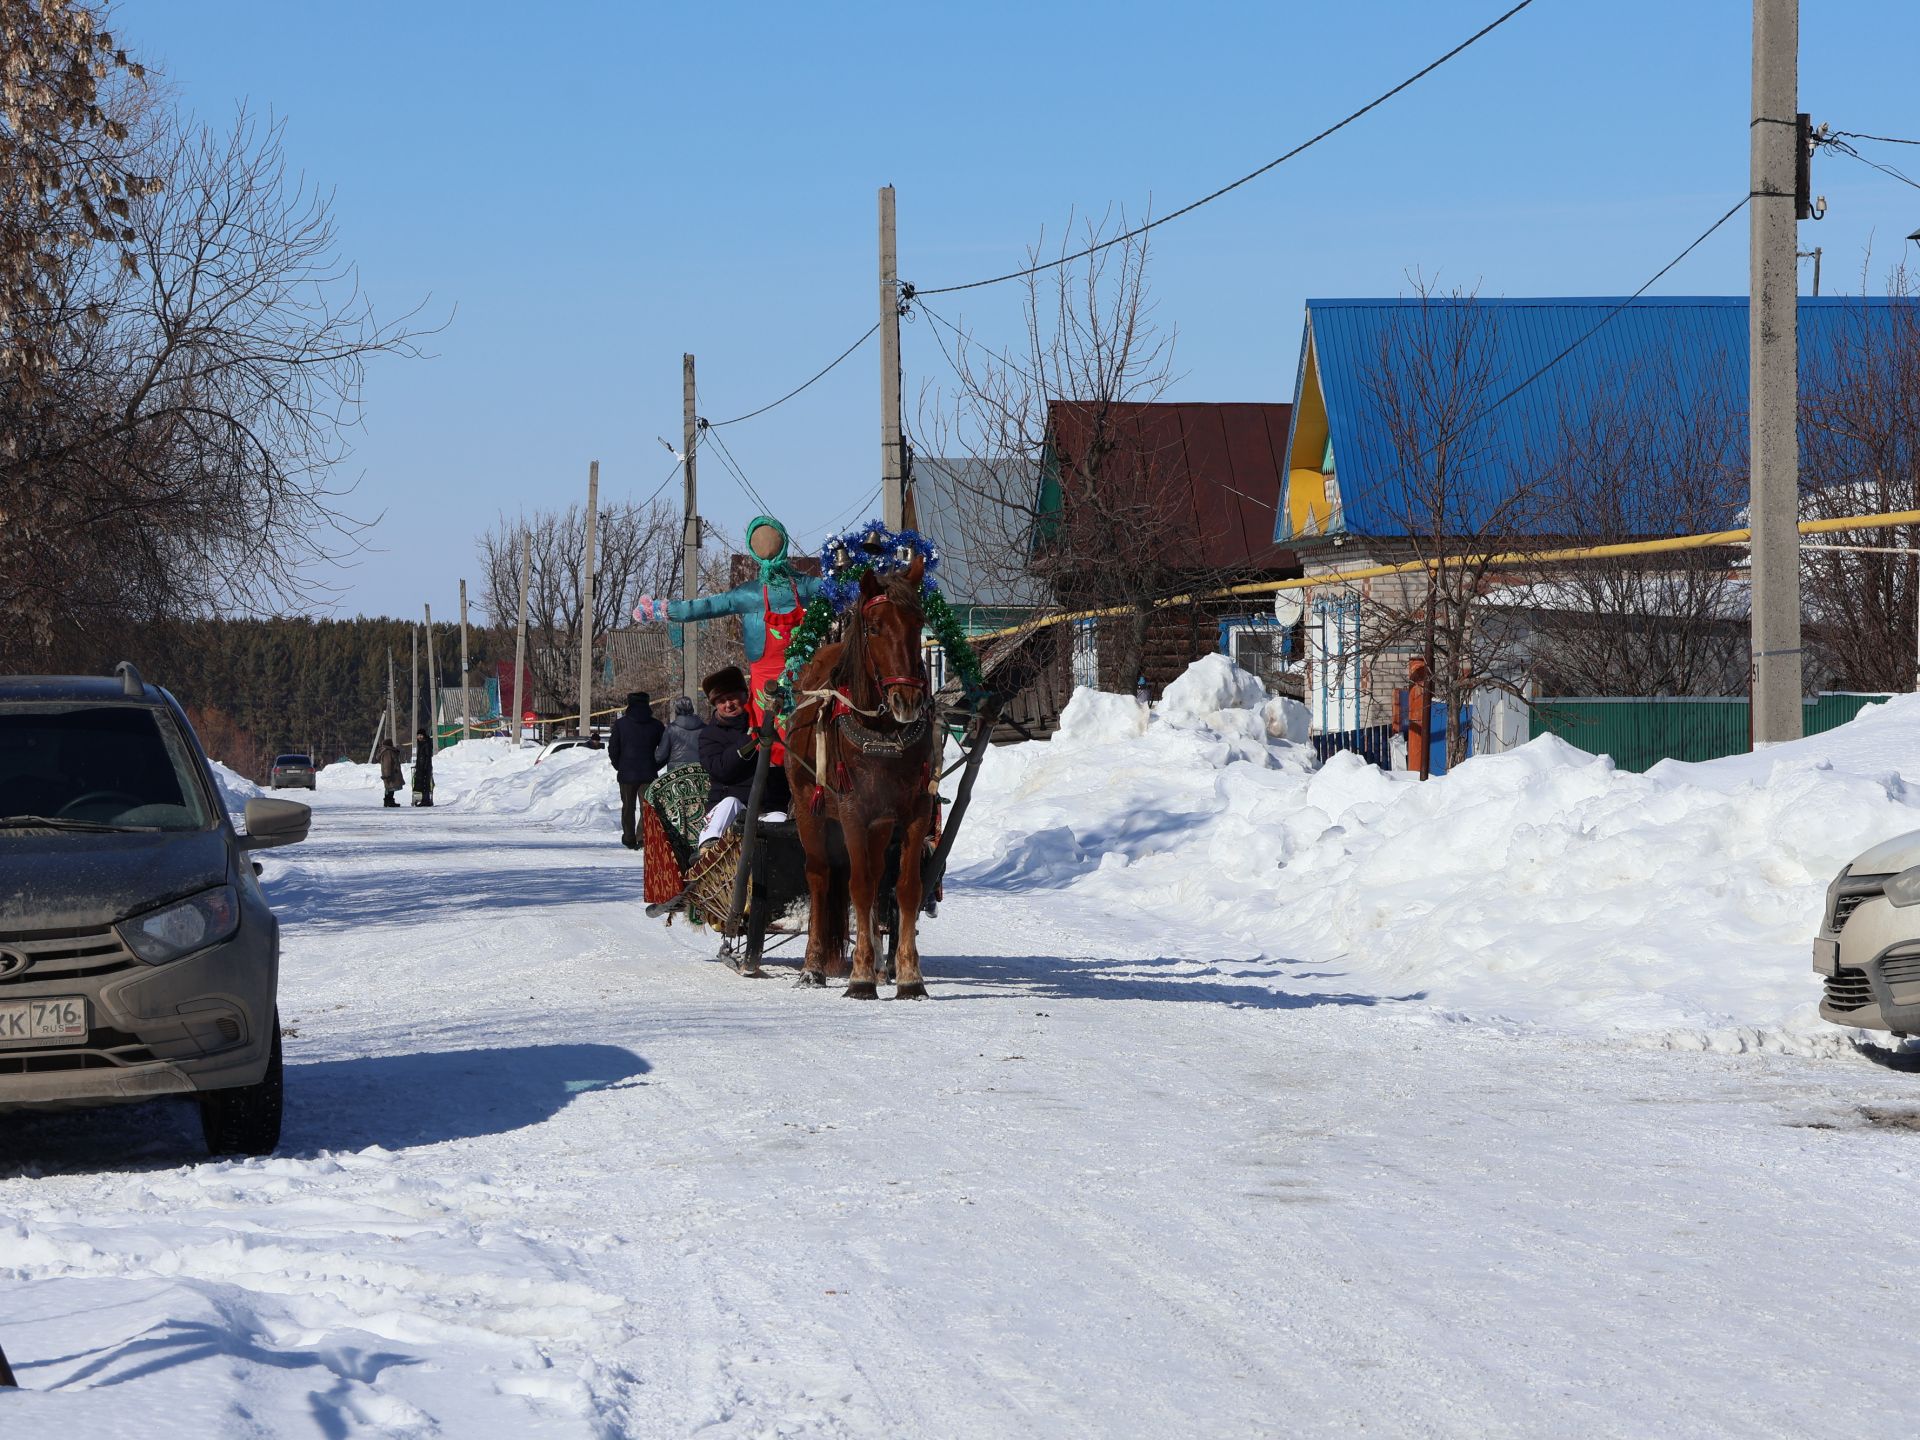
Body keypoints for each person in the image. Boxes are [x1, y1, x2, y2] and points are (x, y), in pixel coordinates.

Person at [633, 515, 822, 761]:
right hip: (802, 674)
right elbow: (844, 589)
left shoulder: (748, 593)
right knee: (806, 724)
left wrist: (661, 609)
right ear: (785, 543)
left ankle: (771, 769)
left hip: (771, 680)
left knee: (769, 729)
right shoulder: (806, 585)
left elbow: (705, 606)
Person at [695, 665, 790, 850]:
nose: (728, 704)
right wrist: (751, 738)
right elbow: (721, 769)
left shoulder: (769, 724)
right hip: (733, 808)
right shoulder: (710, 735)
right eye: (721, 701)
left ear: (745, 696)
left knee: (781, 820)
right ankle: (708, 847)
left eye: (732, 698)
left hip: (767, 807)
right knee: (730, 803)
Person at [608, 691, 666, 850]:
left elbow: (613, 748)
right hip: (648, 772)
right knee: (646, 808)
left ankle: (628, 837)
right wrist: (655, 765)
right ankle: (642, 837)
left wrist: (619, 765)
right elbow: (665, 750)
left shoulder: (621, 725)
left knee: (628, 807)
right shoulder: (656, 725)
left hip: (627, 773)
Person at [655, 695, 703, 772]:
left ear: (676, 710)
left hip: (676, 772)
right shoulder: (704, 728)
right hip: (698, 770)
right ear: (692, 708)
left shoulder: (671, 729)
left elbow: (660, 755)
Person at [376, 735, 402, 808]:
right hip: (391, 773)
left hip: (390, 773)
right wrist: (388, 775)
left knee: (389, 788)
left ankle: (388, 801)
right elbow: (387, 764)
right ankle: (389, 802)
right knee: (390, 788)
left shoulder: (386, 751)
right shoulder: (388, 752)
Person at [411, 728, 435, 807]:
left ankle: (426, 800)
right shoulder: (421, 743)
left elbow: (428, 756)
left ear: (424, 736)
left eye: (421, 735)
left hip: (425, 767)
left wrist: (425, 766)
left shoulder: (426, 743)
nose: (419, 737)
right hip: (421, 767)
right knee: (422, 783)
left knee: (425, 784)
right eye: (418, 735)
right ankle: (425, 800)